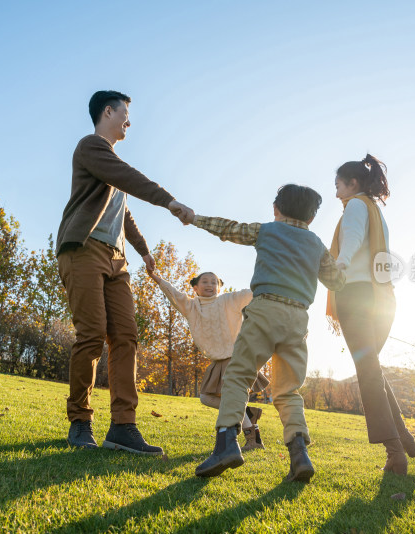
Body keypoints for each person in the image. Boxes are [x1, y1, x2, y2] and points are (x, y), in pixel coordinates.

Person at [56, 90, 194, 455]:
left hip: (116, 259)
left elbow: (124, 215)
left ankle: (123, 426)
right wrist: (168, 200)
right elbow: (129, 178)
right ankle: (80, 421)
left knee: (126, 336)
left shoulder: (112, 166)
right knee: (91, 334)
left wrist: (145, 251)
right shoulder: (91, 147)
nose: (129, 122)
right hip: (83, 250)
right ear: (107, 111)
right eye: (125, 115)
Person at [181, 184, 346, 482]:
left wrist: (194, 218)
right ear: (311, 218)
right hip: (297, 318)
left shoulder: (267, 231)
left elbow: (229, 229)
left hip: (265, 309)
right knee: (288, 390)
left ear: (276, 209)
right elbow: (336, 280)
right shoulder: (316, 244)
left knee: (237, 376)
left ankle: (226, 444)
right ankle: (299, 454)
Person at [325, 154, 415, 475]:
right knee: (372, 369)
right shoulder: (375, 210)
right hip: (381, 300)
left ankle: (395, 453)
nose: (335, 189)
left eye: (338, 182)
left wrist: (340, 264)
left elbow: (351, 240)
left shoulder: (355, 207)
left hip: (355, 297)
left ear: (352, 183)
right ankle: (402, 434)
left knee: (367, 372)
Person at [147, 270, 268, 450]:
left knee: (228, 399)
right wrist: (156, 277)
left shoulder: (228, 300)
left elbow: (250, 293)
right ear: (195, 288)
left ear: (219, 287)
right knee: (206, 397)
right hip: (217, 361)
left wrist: (269, 279)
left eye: (214, 282)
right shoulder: (191, 306)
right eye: (205, 282)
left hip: (235, 357)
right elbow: (173, 294)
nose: (210, 285)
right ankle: (248, 416)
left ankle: (253, 439)